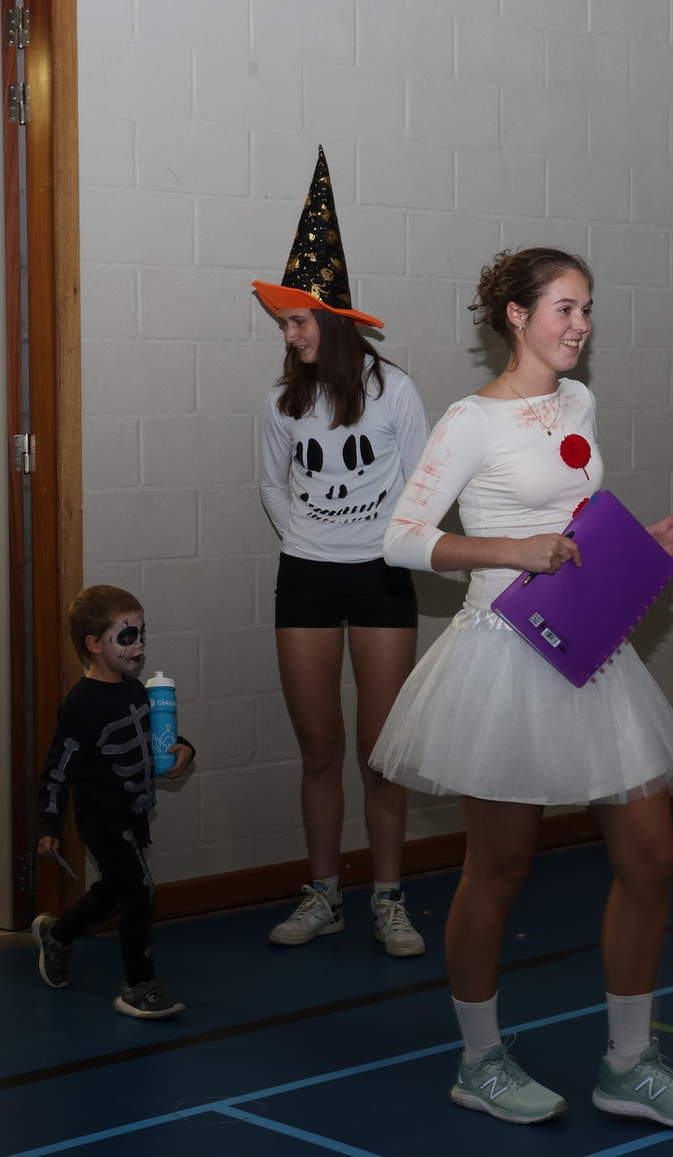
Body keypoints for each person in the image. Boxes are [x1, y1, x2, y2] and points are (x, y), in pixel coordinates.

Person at [372, 247, 673, 1129]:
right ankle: (480, 1061)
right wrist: (508, 549)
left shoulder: (578, 403)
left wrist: (633, 548)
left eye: (588, 308)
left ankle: (629, 1064)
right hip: (503, 654)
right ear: (517, 316)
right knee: (499, 867)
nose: (581, 325)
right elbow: (401, 537)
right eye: (565, 308)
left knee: (651, 855)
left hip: (589, 649)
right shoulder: (469, 420)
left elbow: (572, 523)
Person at [252, 146, 431, 956]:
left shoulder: (395, 391)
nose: (288, 334)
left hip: (382, 578)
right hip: (307, 580)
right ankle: (323, 892)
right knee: (320, 749)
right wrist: (307, 538)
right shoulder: (281, 402)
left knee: (381, 753)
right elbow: (273, 485)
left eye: (298, 321)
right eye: (285, 322)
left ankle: (388, 897)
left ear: (331, 320)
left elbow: (423, 484)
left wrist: (375, 540)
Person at [30, 585, 195, 1019]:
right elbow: (56, 771)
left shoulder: (136, 690)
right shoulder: (80, 706)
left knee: (115, 890)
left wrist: (183, 747)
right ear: (94, 643)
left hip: (134, 811)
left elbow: (155, 736)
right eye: (126, 636)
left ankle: (57, 935)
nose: (138, 645)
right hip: (101, 816)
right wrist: (48, 824)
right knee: (140, 894)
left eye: (141, 634)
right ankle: (139, 984)